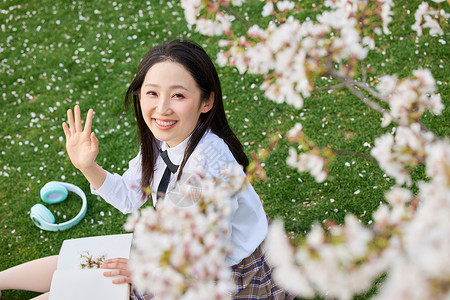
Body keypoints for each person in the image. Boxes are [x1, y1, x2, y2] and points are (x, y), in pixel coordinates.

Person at [0, 40, 294, 300]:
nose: (162, 108)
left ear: (207, 102)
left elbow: (210, 256)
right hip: (175, 245)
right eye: (152, 93)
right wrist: (88, 166)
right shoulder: (164, 140)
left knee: (91, 284)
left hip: (223, 274)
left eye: (178, 96)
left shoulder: (210, 166)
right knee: (86, 262)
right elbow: (130, 197)